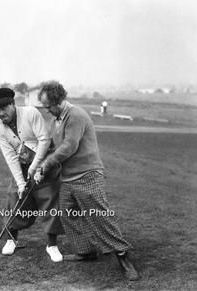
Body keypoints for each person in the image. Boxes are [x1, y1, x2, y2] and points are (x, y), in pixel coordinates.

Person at [37, 81, 139, 280]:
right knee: (68, 214)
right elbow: (52, 145)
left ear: (58, 101)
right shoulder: (56, 119)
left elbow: (68, 147)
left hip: (88, 174)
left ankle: (124, 258)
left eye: (48, 106)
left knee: (99, 216)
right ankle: (87, 252)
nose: (46, 110)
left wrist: (46, 165)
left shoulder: (76, 115)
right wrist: (37, 162)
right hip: (68, 178)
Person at [0, 87, 64, 262]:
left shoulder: (30, 113)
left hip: (46, 164)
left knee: (49, 201)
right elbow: (11, 158)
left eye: (4, 108)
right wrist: (21, 184)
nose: (1, 113)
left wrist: (35, 166)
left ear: (13, 104)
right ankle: (11, 239)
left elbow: (44, 140)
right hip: (22, 167)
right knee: (14, 197)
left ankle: (52, 245)